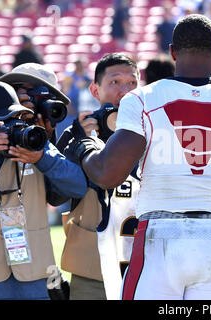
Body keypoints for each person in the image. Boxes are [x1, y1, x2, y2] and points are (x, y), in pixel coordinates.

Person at [69, 14, 211, 300]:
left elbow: (107, 173)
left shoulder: (142, 99)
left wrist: (84, 146)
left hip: (159, 237)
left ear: (172, 52)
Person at [0, 80, 87, 300]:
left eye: (16, 117)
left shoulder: (33, 143)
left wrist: (42, 158)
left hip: (36, 275)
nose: (12, 126)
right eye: (3, 120)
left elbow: (78, 186)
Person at [57, 53, 141, 300]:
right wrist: (81, 144)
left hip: (145, 263)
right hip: (92, 266)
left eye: (132, 83)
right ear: (95, 90)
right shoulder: (79, 133)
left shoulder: (155, 131)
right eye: (115, 82)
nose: (125, 90)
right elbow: (56, 193)